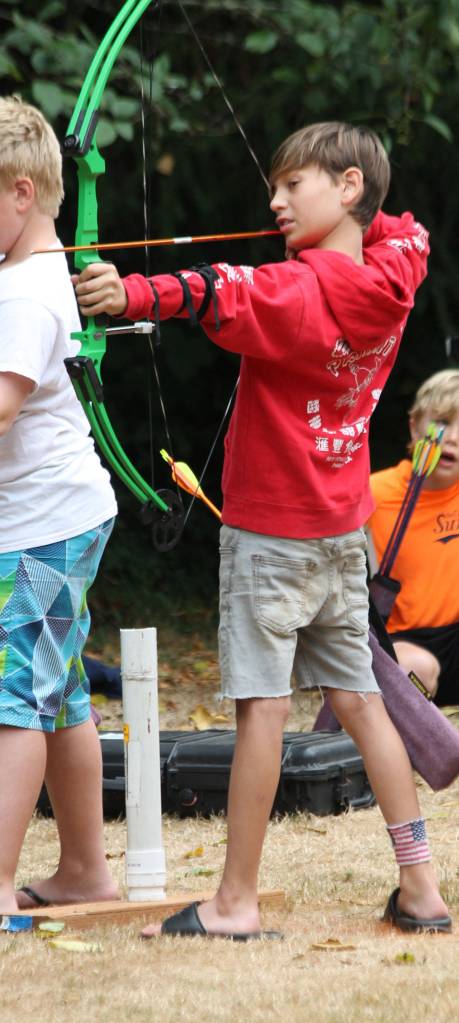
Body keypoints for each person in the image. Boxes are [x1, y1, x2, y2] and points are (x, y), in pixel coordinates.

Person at [74, 121, 451, 936]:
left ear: (347, 186)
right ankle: (420, 887)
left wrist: (124, 293)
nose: (274, 202)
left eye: (294, 186)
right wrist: (360, 216)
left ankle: (234, 901)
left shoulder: (292, 291)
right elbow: (405, 228)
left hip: (272, 536)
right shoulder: (395, 268)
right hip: (340, 533)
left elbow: (211, 289)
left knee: (263, 711)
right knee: (358, 702)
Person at [0, 95, 119, 915]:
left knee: (13, 702)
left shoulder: (25, 295)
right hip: (58, 516)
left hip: (41, 525)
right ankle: (83, 869)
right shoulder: (24, 278)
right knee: (60, 692)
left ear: (18, 194)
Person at [368, 368, 459, 705]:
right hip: (401, 642)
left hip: (454, 636)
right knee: (412, 669)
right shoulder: (376, 493)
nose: (452, 438)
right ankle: (430, 735)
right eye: (443, 422)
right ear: (414, 426)